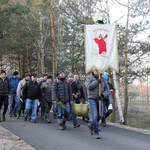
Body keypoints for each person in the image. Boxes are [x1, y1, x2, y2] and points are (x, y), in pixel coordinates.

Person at [86, 68, 111, 139]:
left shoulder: (103, 78)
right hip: (92, 98)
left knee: (100, 115)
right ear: (93, 71)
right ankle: (96, 131)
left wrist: (103, 95)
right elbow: (89, 87)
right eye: (95, 70)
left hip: (100, 99)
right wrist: (96, 82)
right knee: (95, 115)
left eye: (98, 70)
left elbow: (107, 89)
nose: (97, 71)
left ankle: (91, 125)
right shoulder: (89, 78)